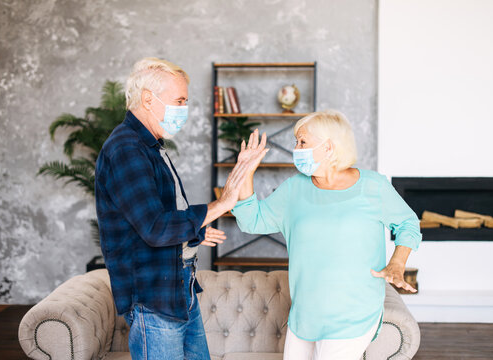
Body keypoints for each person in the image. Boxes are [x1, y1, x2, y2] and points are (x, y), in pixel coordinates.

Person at [95, 57, 266, 360]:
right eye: (180, 101)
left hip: (177, 288)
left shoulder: (149, 146)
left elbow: (160, 218)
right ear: (148, 99)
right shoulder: (126, 149)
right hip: (153, 299)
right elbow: (154, 228)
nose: (184, 110)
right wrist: (221, 203)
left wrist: (197, 230)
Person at [231, 110, 422, 360]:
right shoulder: (294, 189)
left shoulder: (373, 186)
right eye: (296, 142)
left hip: (354, 311)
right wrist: (245, 170)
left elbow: (408, 223)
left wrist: (397, 262)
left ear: (329, 147)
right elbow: (251, 220)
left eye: (302, 142)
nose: (295, 149)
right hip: (305, 313)